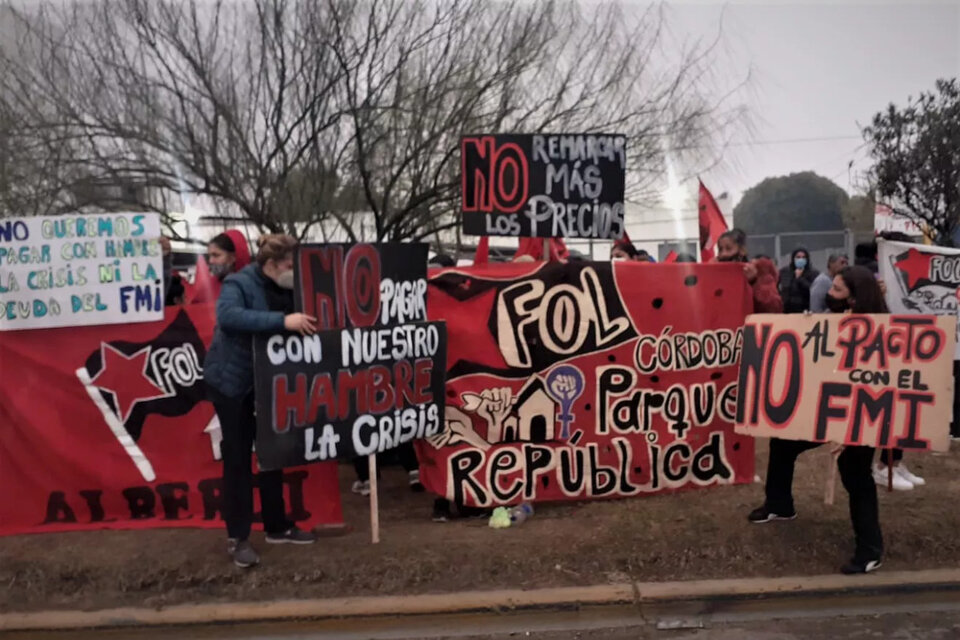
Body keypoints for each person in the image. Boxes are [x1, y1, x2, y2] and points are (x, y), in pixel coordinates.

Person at [749, 265, 886, 575]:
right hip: (827, 410)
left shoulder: (883, 331)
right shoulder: (831, 321)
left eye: (837, 290)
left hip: (861, 417)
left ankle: (870, 550)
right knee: (783, 442)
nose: (829, 294)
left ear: (854, 299)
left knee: (855, 474)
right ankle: (779, 504)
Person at [204, 234, 319, 568]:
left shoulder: (289, 286)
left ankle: (277, 526)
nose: (292, 270)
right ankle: (237, 538)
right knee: (238, 460)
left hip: (269, 383)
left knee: (273, 454)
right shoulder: (238, 283)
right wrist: (282, 322)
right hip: (232, 384)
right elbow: (229, 317)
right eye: (287, 265)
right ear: (269, 265)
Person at [715, 229, 783, 313]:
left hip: (751, 324)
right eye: (720, 249)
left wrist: (754, 282)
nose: (723, 254)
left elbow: (774, 308)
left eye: (728, 248)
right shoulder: (717, 274)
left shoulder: (760, 271)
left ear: (742, 250)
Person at [191, 229, 253, 304]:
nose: (211, 261)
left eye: (216, 255)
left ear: (233, 257)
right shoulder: (207, 288)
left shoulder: (255, 286)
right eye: (209, 256)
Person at [778, 248, 819, 313]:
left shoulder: (813, 273)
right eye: (798, 257)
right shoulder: (785, 271)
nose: (801, 259)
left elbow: (813, 290)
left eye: (803, 257)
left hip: (805, 309)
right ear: (793, 259)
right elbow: (778, 286)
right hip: (787, 310)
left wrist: (800, 278)